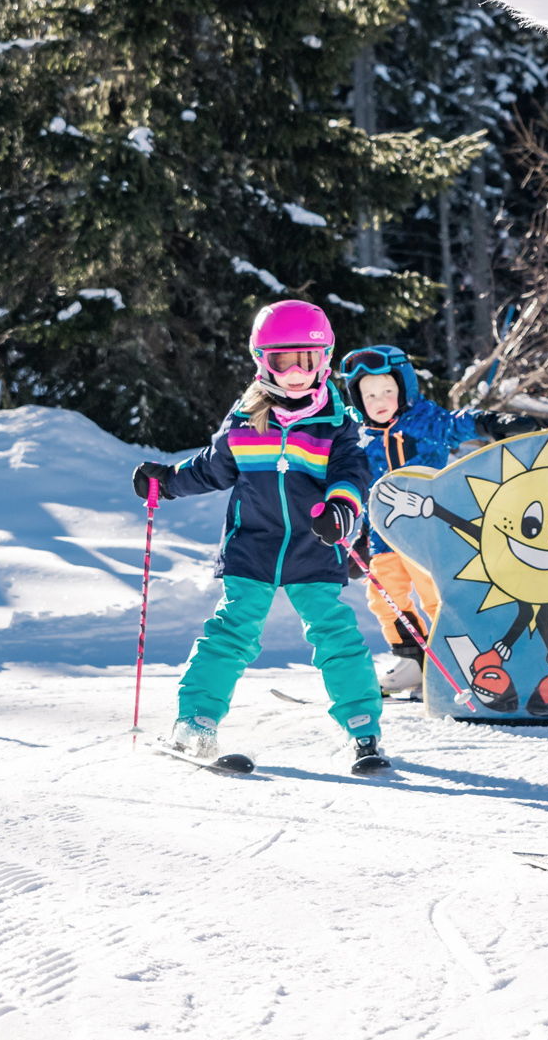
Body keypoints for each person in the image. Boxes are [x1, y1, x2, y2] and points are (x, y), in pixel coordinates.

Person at [130, 301, 389, 775]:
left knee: (335, 634)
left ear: (324, 360)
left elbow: (352, 473)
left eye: (306, 361)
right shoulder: (246, 417)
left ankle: (363, 730)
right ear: (261, 361)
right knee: (232, 632)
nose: (294, 373)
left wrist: (341, 510)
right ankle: (195, 723)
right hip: (253, 546)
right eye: (282, 360)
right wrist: (166, 481)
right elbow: (213, 468)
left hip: (315, 546)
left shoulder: (336, 422)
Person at [336, 344, 496, 698]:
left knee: (434, 595)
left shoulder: (423, 421)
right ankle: (413, 660)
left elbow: (456, 424)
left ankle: (455, 662)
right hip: (381, 536)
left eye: (388, 391)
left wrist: (488, 422)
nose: (379, 401)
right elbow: (359, 488)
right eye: (370, 394)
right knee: (384, 596)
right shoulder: (359, 438)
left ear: (404, 389)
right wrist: (359, 532)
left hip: (426, 531)